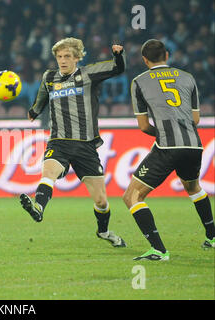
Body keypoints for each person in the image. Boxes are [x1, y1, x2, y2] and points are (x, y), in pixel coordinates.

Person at [19, 37, 127, 248]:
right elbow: (42, 97)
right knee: (48, 173)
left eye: (67, 56)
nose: (62, 60)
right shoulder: (49, 77)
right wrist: (34, 111)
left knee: (101, 201)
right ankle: (38, 208)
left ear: (77, 57)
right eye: (59, 56)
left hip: (85, 145)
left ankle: (104, 232)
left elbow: (117, 69)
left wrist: (118, 55)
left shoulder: (88, 74)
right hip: (59, 141)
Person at [124, 39, 215, 261]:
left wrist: (164, 134)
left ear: (145, 60)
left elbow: (144, 126)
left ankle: (159, 250)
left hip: (168, 146)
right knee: (193, 187)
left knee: (132, 196)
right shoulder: (187, 77)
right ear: (167, 55)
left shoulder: (139, 81)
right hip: (194, 144)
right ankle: (212, 237)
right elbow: (195, 118)